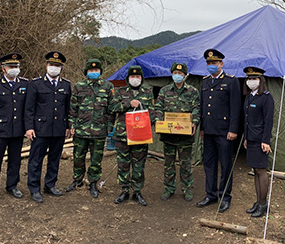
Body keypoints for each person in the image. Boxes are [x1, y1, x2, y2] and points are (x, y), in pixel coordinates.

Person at [24, 51, 72, 203]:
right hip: (40, 129)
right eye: (51, 65)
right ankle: (34, 188)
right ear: (46, 65)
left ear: (61, 68)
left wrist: (69, 126)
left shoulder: (66, 85)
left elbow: (68, 108)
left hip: (59, 128)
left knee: (54, 159)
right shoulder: (35, 83)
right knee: (35, 160)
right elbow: (29, 108)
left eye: (57, 65)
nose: (54, 68)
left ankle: (50, 185)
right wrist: (29, 127)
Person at [196, 49, 241, 213]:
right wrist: (202, 128)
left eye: (214, 63)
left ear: (221, 64)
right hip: (208, 131)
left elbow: (235, 108)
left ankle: (224, 196)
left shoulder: (231, 81)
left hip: (224, 132)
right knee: (209, 165)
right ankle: (211, 195)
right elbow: (203, 107)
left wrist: (233, 129)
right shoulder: (205, 82)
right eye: (208, 63)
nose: (211, 66)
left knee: (226, 165)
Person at [66, 59, 114, 198]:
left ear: (100, 71)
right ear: (86, 72)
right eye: (91, 70)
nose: (94, 72)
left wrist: (110, 126)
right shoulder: (79, 86)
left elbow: (111, 109)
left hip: (99, 130)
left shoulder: (107, 86)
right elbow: (73, 108)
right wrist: (72, 125)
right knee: (78, 157)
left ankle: (93, 182)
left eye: (96, 70)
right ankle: (77, 180)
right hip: (81, 129)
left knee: (96, 158)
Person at [0, 53, 28, 203]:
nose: (14, 69)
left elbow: (27, 109)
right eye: (11, 67)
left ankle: (12, 185)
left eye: (16, 66)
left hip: (17, 129)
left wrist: (27, 128)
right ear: (3, 68)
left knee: (15, 160)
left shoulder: (24, 84)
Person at [108, 65, 154, 206]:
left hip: (140, 135)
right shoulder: (120, 91)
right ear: (128, 78)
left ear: (141, 78)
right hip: (123, 135)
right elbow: (112, 107)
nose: (135, 79)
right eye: (132, 77)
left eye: (138, 77)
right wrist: (128, 103)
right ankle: (124, 190)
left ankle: (137, 192)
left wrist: (146, 125)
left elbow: (152, 111)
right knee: (123, 164)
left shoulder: (147, 92)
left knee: (139, 164)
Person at [154, 62, 200, 202]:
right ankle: (169, 188)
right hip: (168, 135)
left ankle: (187, 189)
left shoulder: (192, 91)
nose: (177, 76)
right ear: (172, 74)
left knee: (185, 163)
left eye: (180, 74)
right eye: (175, 73)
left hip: (185, 136)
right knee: (168, 163)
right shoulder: (164, 90)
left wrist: (194, 122)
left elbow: (197, 108)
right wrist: (158, 121)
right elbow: (159, 108)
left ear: (185, 76)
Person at [243, 66, 274, 218]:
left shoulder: (266, 97)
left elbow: (268, 121)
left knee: (261, 171)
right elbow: (247, 121)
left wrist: (266, 141)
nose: (251, 81)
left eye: (254, 79)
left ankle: (263, 204)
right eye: (249, 79)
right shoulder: (249, 97)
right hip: (251, 140)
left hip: (261, 140)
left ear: (260, 80)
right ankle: (258, 201)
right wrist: (246, 138)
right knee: (255, 171)